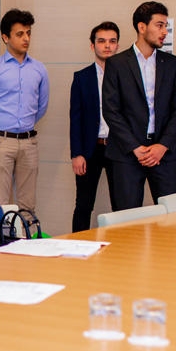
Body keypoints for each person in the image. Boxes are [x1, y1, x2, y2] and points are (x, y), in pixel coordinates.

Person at [101, 1, 176, 211]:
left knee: (172, 217)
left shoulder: (173, 63)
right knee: (126, 219)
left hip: (163, 153)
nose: (164, 31)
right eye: (159, 25)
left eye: (166, 26)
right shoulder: (117, 64)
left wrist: (162, 146)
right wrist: (135, 148)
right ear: (141, 27)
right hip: (127, 154)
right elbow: (111, 111)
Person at [0, 8, 49, 211]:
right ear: (5, 37)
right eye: (19, 34)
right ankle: (0, 242)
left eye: (28, 33)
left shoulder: (39, 69)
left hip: (28, 142)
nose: (26, 38)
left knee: (27, 205)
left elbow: (41, 107)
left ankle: (26, 241)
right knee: (0, 203)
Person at [69, 22, 120, 231]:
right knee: (83, 204)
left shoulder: (126, 76)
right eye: (101, 41)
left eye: (112, 41)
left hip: (119, 149)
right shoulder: (82, 77)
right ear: (92, 46)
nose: (107, 46)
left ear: (117, 45)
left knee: (122, 205)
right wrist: (77, 153)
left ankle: (123, 249)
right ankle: (75, 248)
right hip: (90, 149)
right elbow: (75, 118)